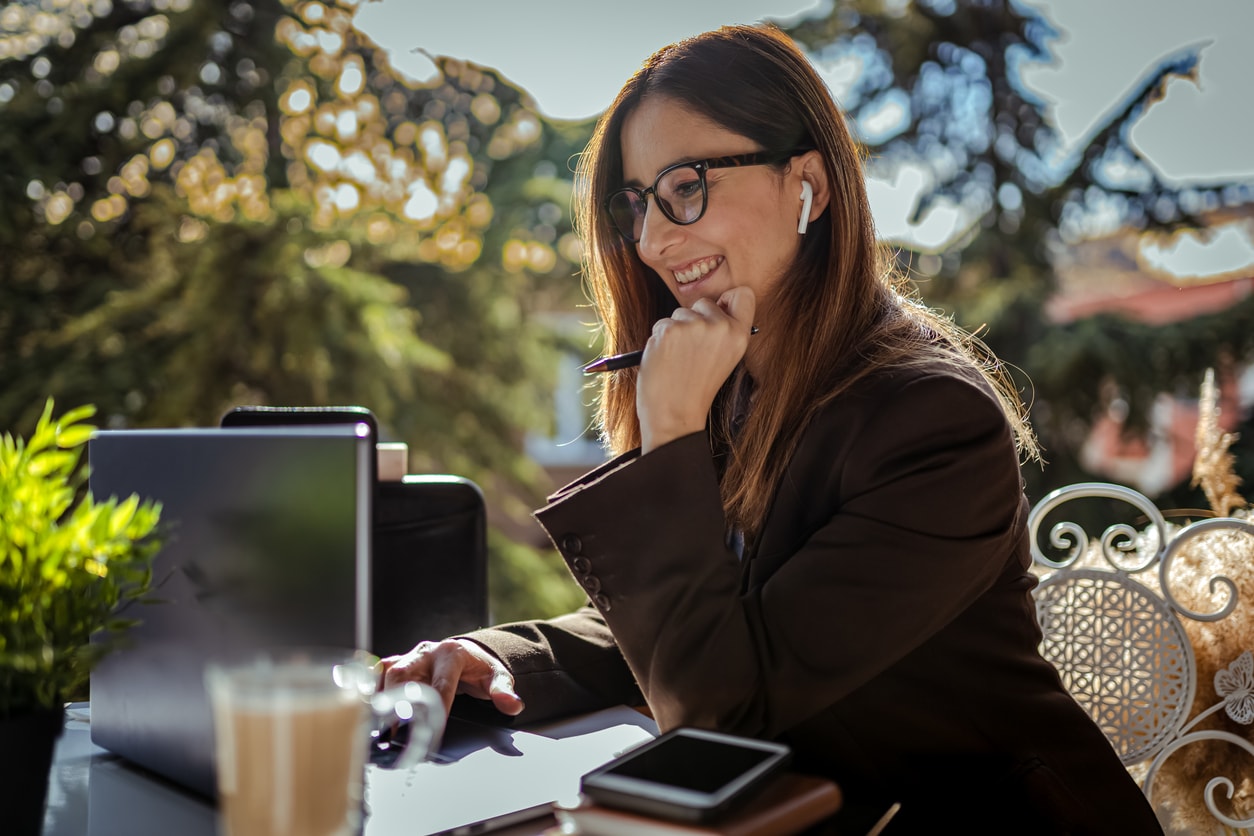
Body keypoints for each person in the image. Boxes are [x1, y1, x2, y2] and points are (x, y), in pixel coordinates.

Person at [382, 24, 1164, 834]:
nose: (652, 240)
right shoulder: (736, 384)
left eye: (687, 185)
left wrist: (673, 429)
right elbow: (700, 624)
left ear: (809, 186)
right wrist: (502, 660)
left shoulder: (935, 424)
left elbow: (723, 710)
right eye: (635, 202)